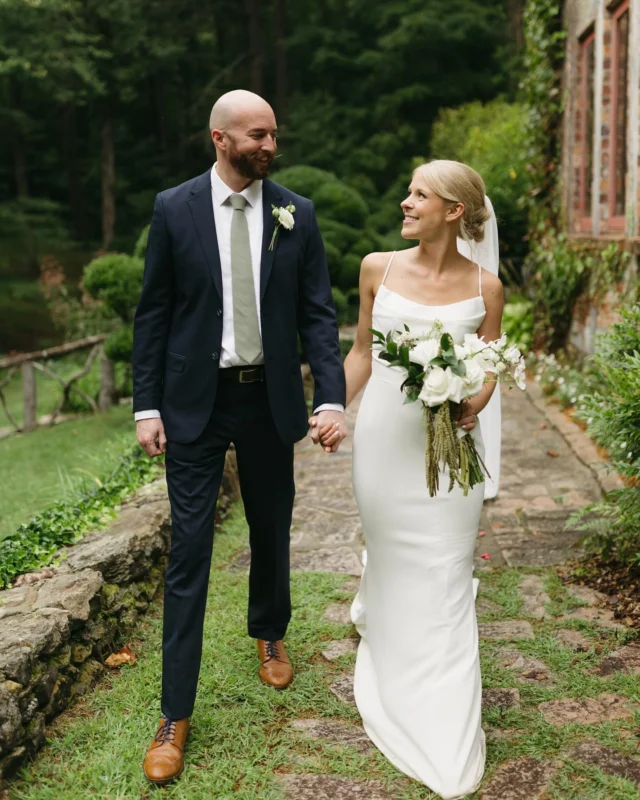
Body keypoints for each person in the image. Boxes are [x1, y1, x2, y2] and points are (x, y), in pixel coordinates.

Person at [133, 89, 347, 785]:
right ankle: (174, 714)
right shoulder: (173, 209)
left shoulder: (297, 213)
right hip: (193, 403)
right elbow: (154, 313)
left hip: (269, 399)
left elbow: (318, 313)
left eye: (274, 135)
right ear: (219, 138)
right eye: (257, 135)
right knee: (190, 550)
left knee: (272, 525)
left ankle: (269, 630)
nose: (270, 146)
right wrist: (145, 407)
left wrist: (332, 396)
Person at [313, 160, 504, 799]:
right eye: (409, 191)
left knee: (448, 568)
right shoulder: (378, 267)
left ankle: (445, 716)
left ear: (453, 210)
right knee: (393, 559)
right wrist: (333, 406)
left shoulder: (487, 287)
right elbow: (363, 353)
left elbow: (491, 364)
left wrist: (471, 401)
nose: (406, 201)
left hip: (452, 451)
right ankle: (391, 641)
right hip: (386, 445)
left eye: (420, 194)